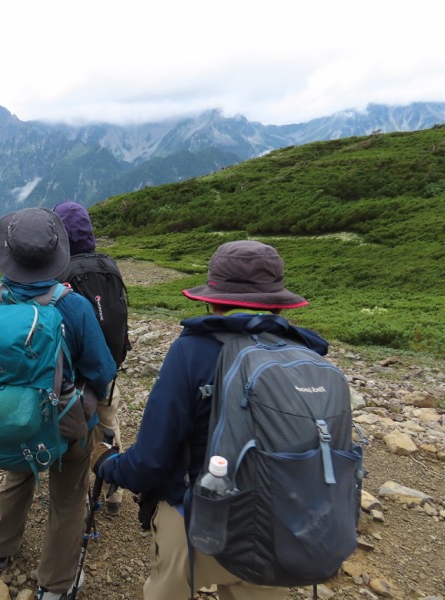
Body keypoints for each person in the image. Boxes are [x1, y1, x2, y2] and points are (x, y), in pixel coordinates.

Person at [91, 240, 327, 600]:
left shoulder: (191, 351)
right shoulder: (307, 355)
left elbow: (152, 461)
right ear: (277, 302)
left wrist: (108, 465)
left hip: (196, 521)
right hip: (280, 523)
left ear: (211, 300)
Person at [0, 207, 117, 600]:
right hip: (64, 425)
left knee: (17, 475)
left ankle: (0, 552)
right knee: (67, 498)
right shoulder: (72, 306)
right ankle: (54, 585)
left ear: (8, 255)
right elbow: (101, 369)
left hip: (5, 420)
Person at [53, 201, 129, 516]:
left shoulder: (61, 273)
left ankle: (82, 499)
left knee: (78, 432)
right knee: (108, 425)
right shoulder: (109, 266)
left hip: (77, 376)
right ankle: (113, 493)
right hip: (109, 368)